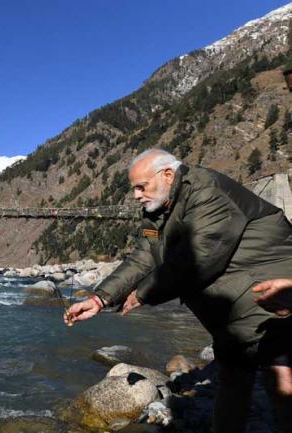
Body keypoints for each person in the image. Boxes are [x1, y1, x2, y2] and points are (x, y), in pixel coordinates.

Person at [63, 148, 292, 433]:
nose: (136, 195)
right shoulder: (157, 211)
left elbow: (198, 259)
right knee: (233, 376)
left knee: (280, 375)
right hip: (232, 300)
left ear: (168, 175)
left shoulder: (207, 192)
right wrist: (101, 297)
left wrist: (142, 294)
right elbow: (144, 255)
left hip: (268, 287)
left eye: (140, 187)